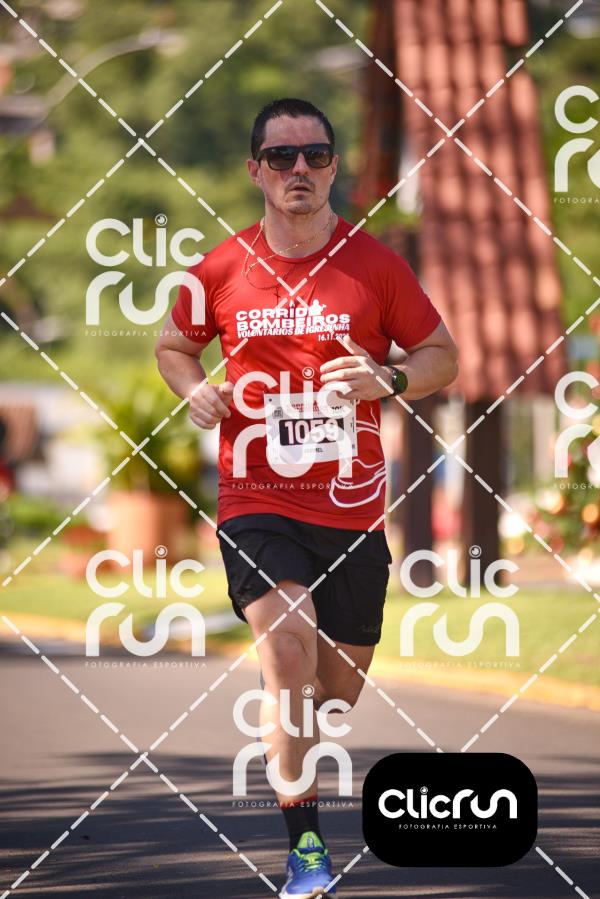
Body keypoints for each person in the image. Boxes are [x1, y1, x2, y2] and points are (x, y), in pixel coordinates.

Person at [155, 97, 458, 897]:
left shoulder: (375, 266)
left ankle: (283, 713)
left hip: (351, 510)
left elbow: (441, 355)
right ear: (255, 169)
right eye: (281, 157)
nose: (299, 169)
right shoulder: (220, 268)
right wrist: (195, 390)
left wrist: (389, 377)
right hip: (255, 495)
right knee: (287, 648)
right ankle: (307, 849)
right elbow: (174, 345)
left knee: (332, 696)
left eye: (315, 156)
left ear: (332, 168)